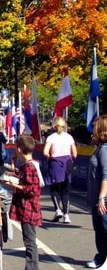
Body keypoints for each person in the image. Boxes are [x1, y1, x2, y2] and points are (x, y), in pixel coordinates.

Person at [5, 134, 42, 270]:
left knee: (30, 242)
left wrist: (15, 185)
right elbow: (22, 179)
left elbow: (32, 189)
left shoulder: (29, 167)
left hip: (29, 209)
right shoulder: (29, 165)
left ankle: (32, 267)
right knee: (29, 240)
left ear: (19, 149)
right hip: (27, 208)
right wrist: (13, 165)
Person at [43, 117, 77, 223]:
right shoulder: (69, 137)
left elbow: (45, 152)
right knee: (65, 189)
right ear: (64, 126)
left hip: (55, 163)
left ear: (54, 126)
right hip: (67, 163)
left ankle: (58, 210)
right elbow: (75, 154)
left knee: (54, 188)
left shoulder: (51, 138)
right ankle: (66, 215)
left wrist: (50, 156)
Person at [86, 115, 107, 269]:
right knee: (99, 230)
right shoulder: (100, 148)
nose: (92, 129)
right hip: (96, 199)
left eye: (94, 127)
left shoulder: (105, 150)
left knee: (104, 230)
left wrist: (102, 197)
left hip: (103, 200)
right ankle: (101, 258)